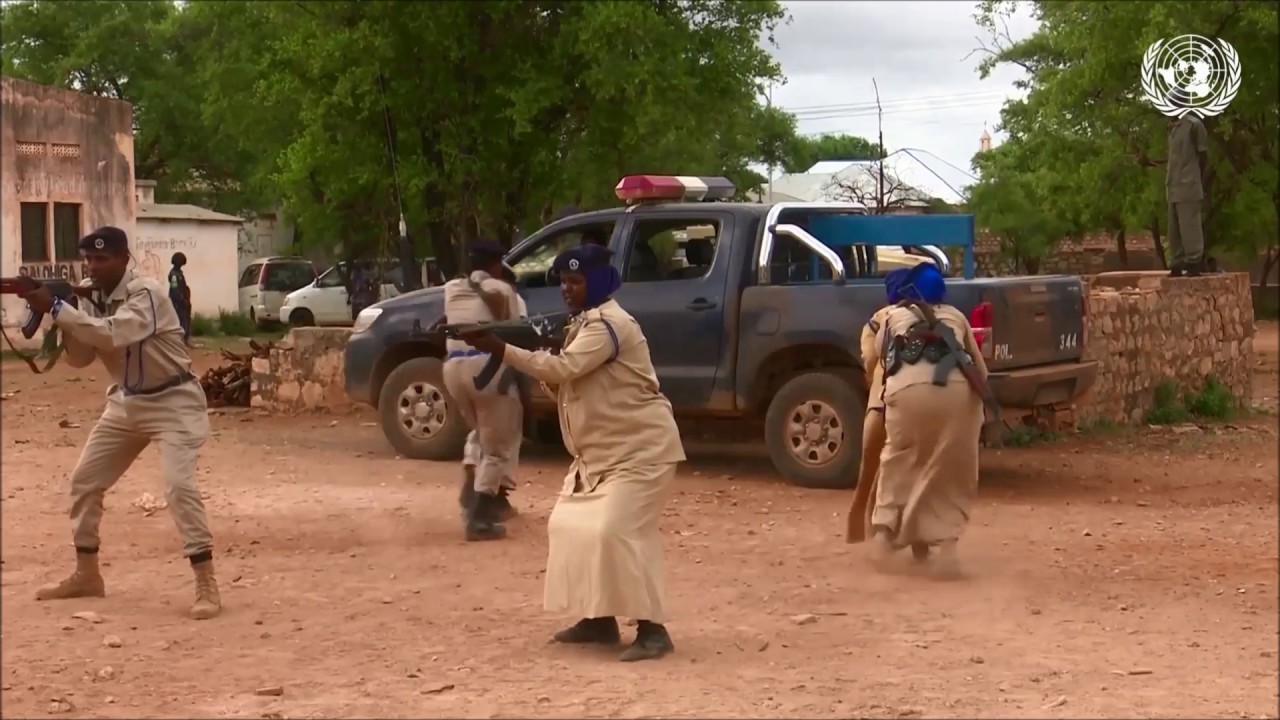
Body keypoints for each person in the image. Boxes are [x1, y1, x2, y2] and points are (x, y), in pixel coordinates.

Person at [458, 243, 686, 662]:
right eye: (563, 281)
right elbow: (566, 382)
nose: (567, 289)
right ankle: (599, 619)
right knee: (568, 527)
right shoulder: (585, 324)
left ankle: (653, 630)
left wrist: (499, 347)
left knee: (616, 533)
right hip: (601, 454)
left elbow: (562, 370)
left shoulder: (609, 325)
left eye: (576, 281)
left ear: (597, 282)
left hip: (641, 450)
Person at [20, 226, 221, 619]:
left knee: (178, 487)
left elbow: (113, 335)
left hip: (174, 399)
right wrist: (60, 315)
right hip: (127, 401)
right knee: (84, 481)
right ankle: (87, 574)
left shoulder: (145, 293)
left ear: (124, 258)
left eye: (103, 259)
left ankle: (205, 582)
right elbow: (80, 358)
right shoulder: (88, 295)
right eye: (90, 260)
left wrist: (60, 308)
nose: (95, 266)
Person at [861, 262, 991, 578]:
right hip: (957, 392)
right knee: (950, 468)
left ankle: (882, 537)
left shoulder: (890, 316)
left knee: (899, 458)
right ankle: (945, 550)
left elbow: (874, 360)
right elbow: (981, 371)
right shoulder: (956, 316)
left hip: (906, 392)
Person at [441, 239, 524, 541]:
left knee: (480, 430)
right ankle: (480, 517)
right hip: (486, 368)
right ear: (495, 264)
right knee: (499, 445)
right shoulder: (502, 290)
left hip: (453, 369)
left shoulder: (451, 289)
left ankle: (470, 482)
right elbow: (516, 328)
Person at [846, 268, 912, 544]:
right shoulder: (936, 318)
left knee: (869, 472)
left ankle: (859, 527)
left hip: (881, 404)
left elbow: (871, 360)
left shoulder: (880, 319)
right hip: (916, 407)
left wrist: (873, 385)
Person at [1166, 111, 1210, 277]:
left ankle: (1193, 263)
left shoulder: (1194, 125)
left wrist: (1198, 180)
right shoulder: (1172, 127)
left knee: (1190, 226)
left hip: (1189, 183)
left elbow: (1203, 156)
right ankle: (1176, 264)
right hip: (1173, 185)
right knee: (1174, 229)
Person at [168, 252, 192, 346]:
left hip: (182, 301)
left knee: (185, 320)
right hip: (177, 303)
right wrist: (182, 300)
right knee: (180, 322)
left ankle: (185, 341)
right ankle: (180, 342)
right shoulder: (174, 274)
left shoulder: (179, 273)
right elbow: (174, 289)